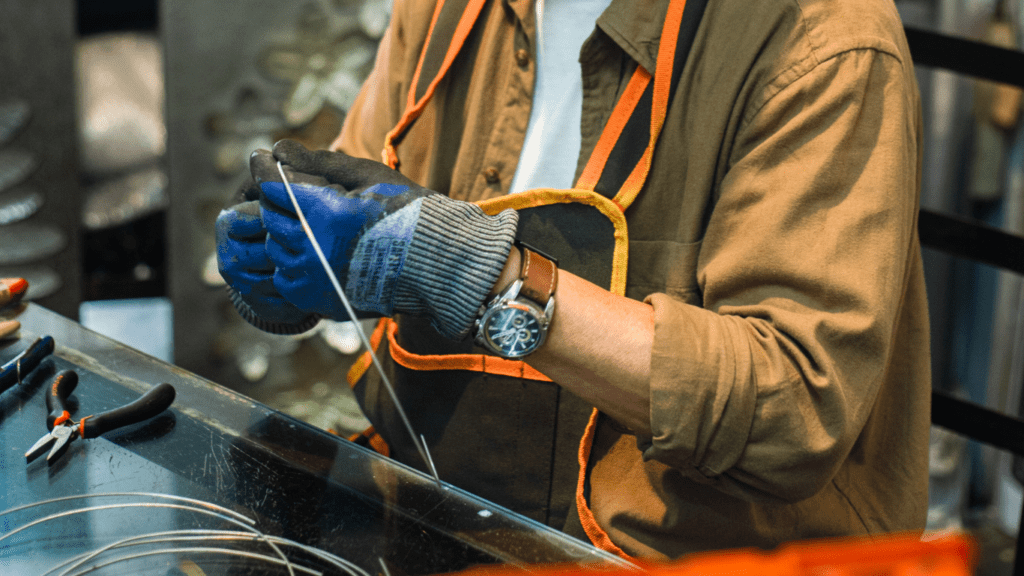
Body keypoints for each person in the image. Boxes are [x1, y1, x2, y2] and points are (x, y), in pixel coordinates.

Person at [216, 0, 930, 561]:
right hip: (447, 519)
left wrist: (480, 277)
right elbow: (359, 191)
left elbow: (792, 411)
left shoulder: (823, 37)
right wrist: (293, 257)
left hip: (693, 553)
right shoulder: (447, 10)